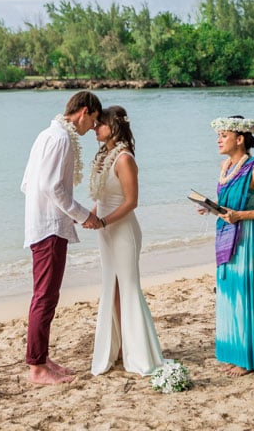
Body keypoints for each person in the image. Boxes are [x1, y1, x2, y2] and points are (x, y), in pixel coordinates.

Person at [21, 90, 102, 385]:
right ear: (83, 111)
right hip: (50, 227)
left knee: (46, 296)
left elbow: (27, 183)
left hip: (42, 223)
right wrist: (83, 215)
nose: (92, 128)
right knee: (45, 297)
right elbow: (53, 187)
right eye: (92, 121)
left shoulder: (47, 134)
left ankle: (41, 358)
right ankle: (37, 367)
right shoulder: (61, 139)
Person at [83, 106, 164, 376]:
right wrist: (91, 215)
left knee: (127, 287)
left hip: (123, 231)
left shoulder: (124, 158)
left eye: (100, 124)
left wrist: (105, 221)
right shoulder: (105, 156)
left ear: (113, 127)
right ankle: (117, 348)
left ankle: (138, 352)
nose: (95, 128)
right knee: (112, 288)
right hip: (105, 231)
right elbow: (102, 197)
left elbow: (131, 201)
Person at [199, 115, 254, 377]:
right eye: (219, 134)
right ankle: (234, 354)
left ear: (240, 138)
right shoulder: (225, 166)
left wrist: (240, 216)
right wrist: (212, 208)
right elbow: (230, 206)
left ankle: (248, 360)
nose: (219, 139)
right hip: (228, 235)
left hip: (248, 238)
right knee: (229, 297)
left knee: (246, 297)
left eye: (224, 135)